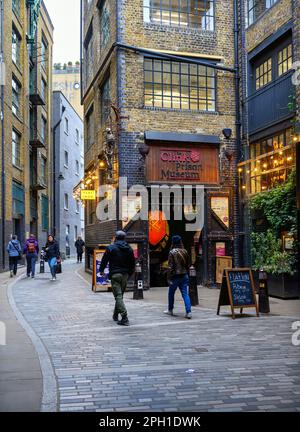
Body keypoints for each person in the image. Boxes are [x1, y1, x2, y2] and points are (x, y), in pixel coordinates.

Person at [99, 231, 135, 326]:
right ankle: (115, 315)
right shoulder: (129, 249)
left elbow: (104, 260)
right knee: (120, 296)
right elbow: (132, 264)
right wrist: (129, 274)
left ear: (115, 238)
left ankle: (124, 317)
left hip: (115, 275)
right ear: (124, 238)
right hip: (125, 275)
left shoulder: (111, 248)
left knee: (118, 296)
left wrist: (101, 270)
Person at [164, 235, 192, 319]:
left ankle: (170, 310)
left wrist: (168, 278)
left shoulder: (172, 252)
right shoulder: (185, 251)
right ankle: (188, 312)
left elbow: (170, 267)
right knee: (185, 294)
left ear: (173, 242)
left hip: (175, 276)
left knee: (171, 293)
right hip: (184, 275)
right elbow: (188, 264)